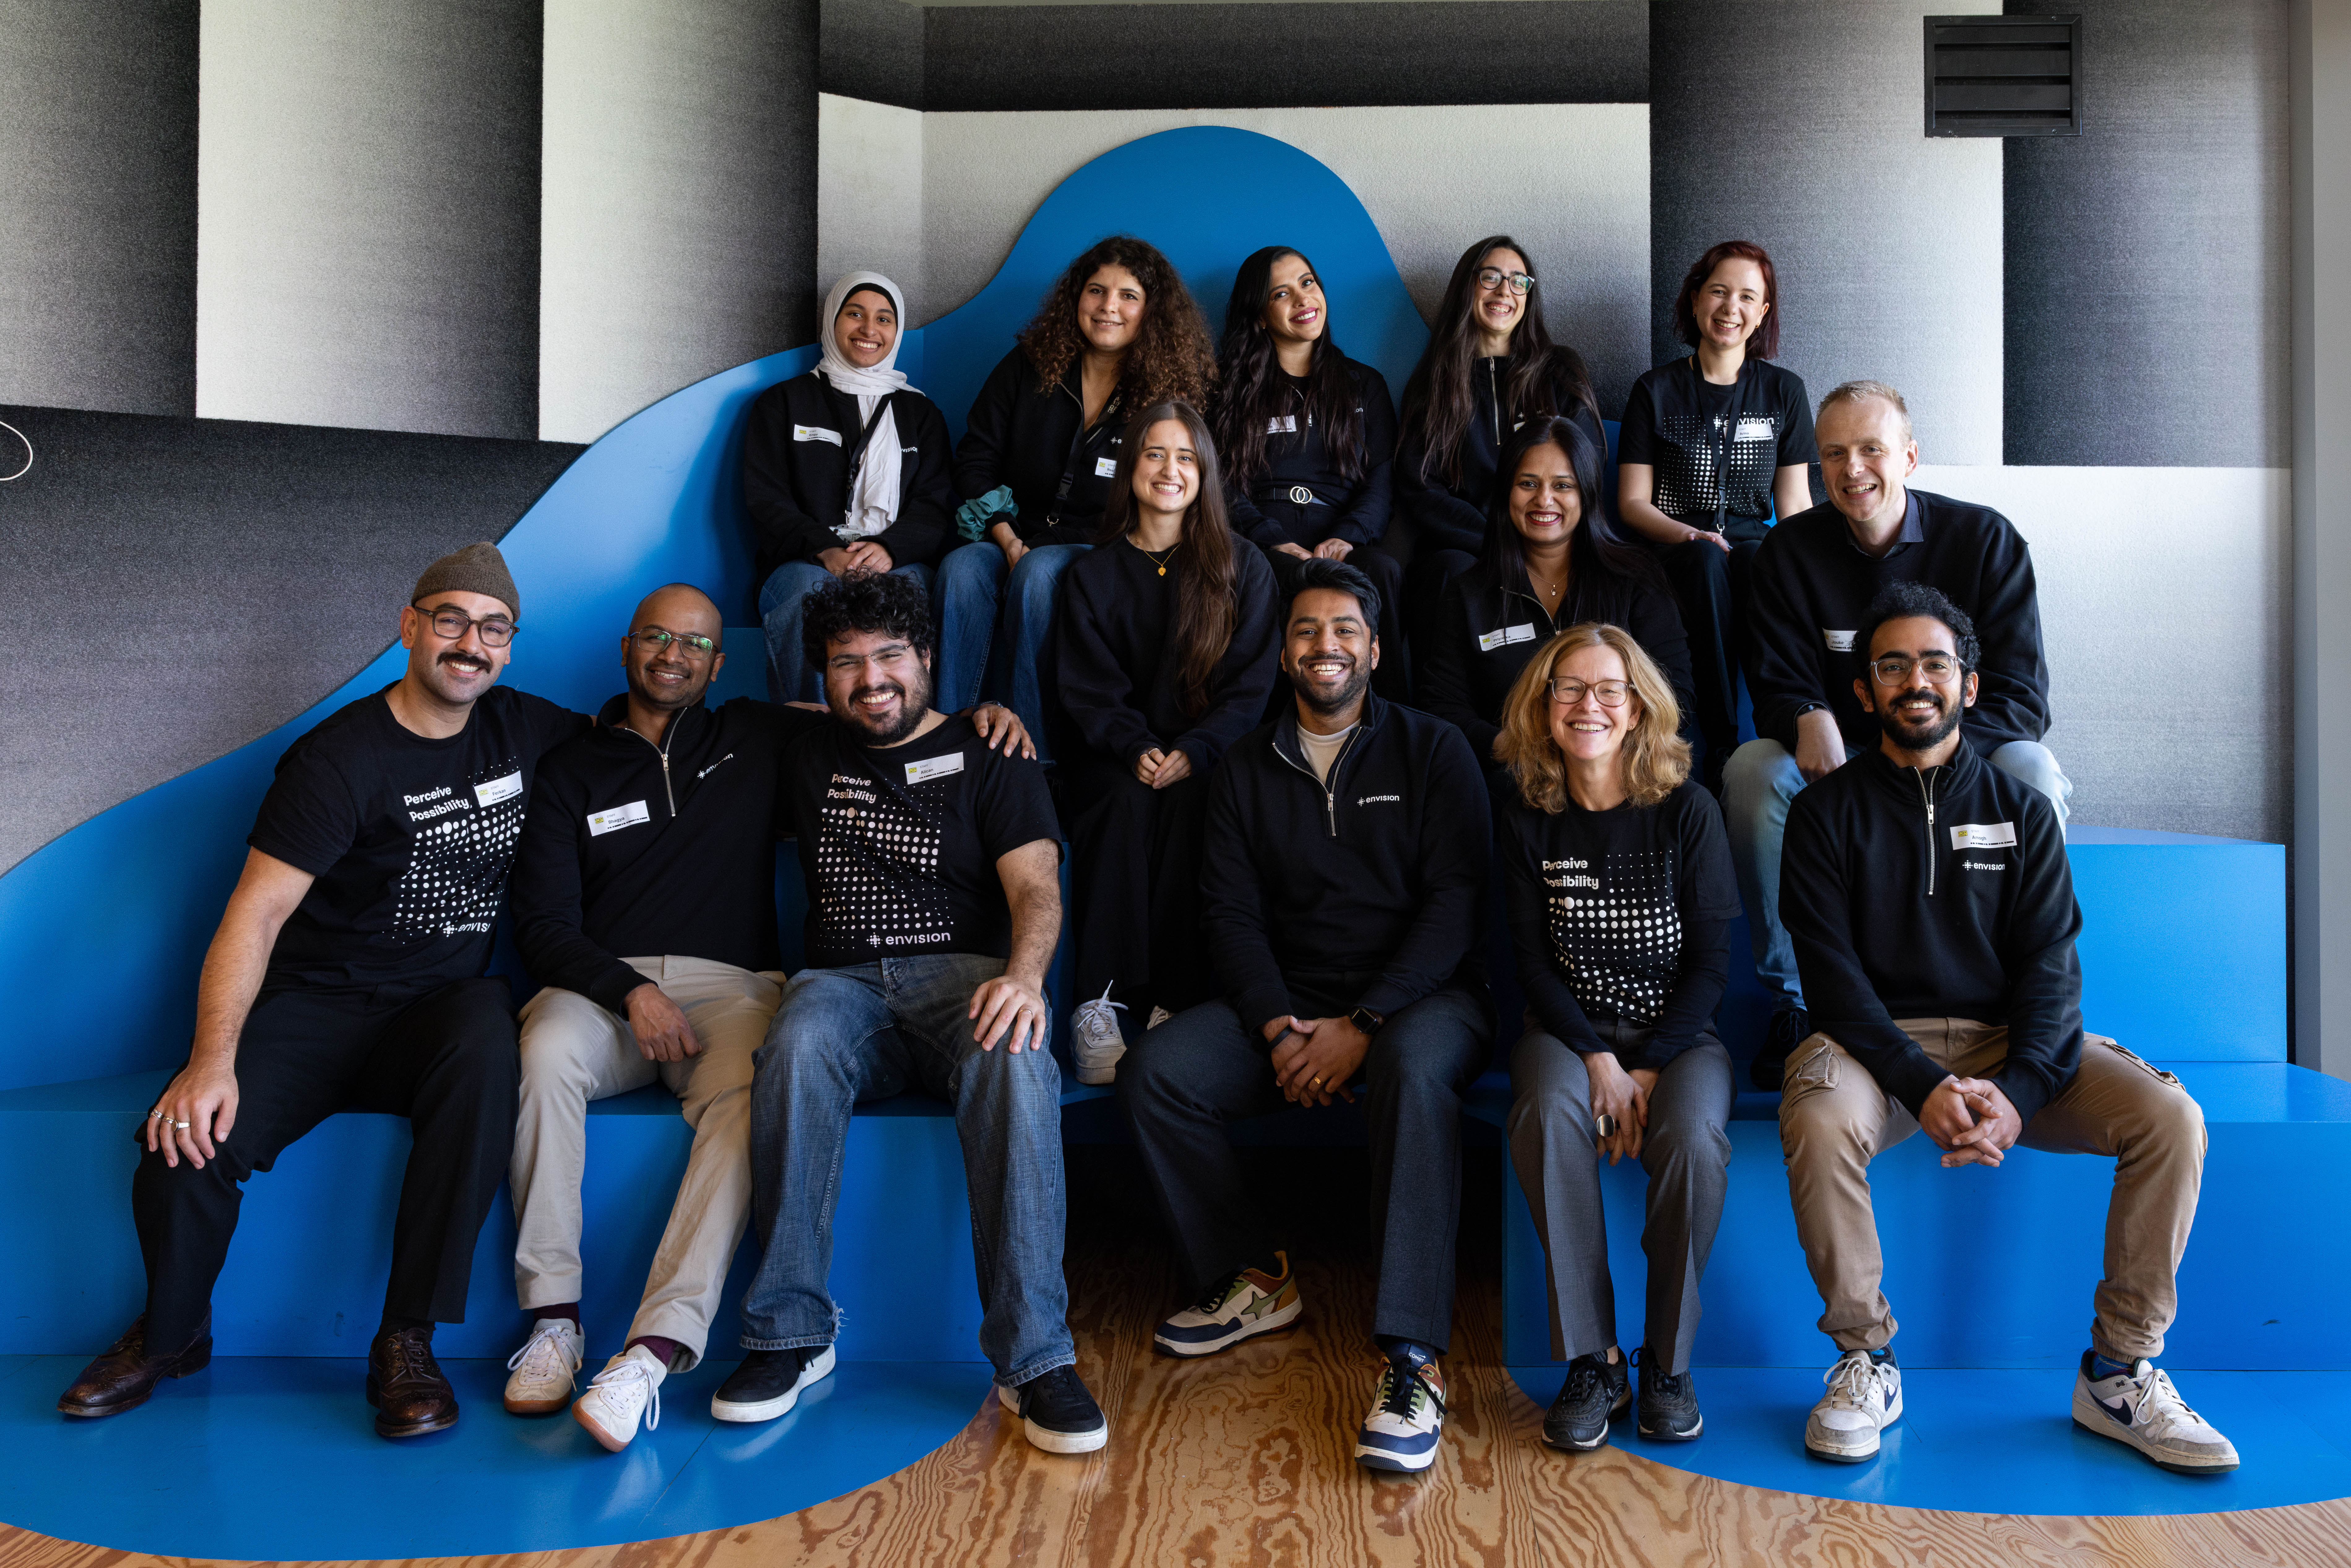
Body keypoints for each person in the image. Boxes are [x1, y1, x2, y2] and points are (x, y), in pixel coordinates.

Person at [59, 544, 586, 1437]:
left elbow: (633, 736)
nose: (471, 644)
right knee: (183, 1139)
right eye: (450, 620)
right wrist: (210, 1062)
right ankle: (172, 1333)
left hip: (435, 1014)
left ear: (509, 646)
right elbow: (256, 913)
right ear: (410, 627)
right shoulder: (339, 758)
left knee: (487, 1039)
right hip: (319, 1008)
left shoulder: (525, 727)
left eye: (493, 629)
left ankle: (406, 1342)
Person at [497, 584, 1029, 1450]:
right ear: (629, 647)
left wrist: (983, 716)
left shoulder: (761, 734)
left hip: (733, 984)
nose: (675, 656)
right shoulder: (571, 766)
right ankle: (553, 1320)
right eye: (658, 639)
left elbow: (888, 716)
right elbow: (545, 925)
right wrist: (627, 990)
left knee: (760, 1081)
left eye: (696, 644)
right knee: (542, 1050)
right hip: (603, 989)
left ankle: (652, 1348)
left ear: (718, 661)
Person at [1777, 583, 2235, 1475]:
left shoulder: (2021, 810)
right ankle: (1865, 1357)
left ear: (1969, 686)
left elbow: (2053, 976)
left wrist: (2018, 1094)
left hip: (2005, 1049)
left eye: (1935, 664)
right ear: (1864, 691)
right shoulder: (1821, 814)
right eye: (1893, 665)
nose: (1916, 680)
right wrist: (1923, 1084)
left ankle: (2117, 1370)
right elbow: (1832, 986)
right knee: (1820, 1110)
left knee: (2169, 1116)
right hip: (1879, 1053)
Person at [1118, 559, 1494, 1475]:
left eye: (1344, 629)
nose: (1326, 645)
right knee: (1156, 1073)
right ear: (1284, 652)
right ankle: (1252, 1275)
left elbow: (1457, 903)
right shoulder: (1246, 764)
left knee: (1409, 1070)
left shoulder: (1433, 746)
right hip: (1292, 1005)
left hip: (1424, 1002)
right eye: (1306, 631)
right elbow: (1230, 913)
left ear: (1373, 644)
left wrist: (1364, 1019)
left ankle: (1412, 1357)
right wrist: (1283, 1027)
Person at [726, 571, 1108, 1454]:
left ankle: (1033, 1360)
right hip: (841, 983)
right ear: (821, 679)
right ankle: (790, 1337)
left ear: (927, 660)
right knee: (792, 1046)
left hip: (964, 977)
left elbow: (1037, 889)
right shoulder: (805, 745)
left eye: (890, 656)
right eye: (847, 663)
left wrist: (1023, 979)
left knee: (1015, 1062)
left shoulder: (992, 752)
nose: (871, 679)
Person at [1728, 379, 2067, 1089]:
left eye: (1872, 449)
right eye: (1835, 454)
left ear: (1909, 456)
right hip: (1844, 763)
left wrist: (1934, 756)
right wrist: (1804, 713)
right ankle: (1794, 1003)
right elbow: (1777, 680)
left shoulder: (1986, 541)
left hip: (1960, 753)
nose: (1853, 469)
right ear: (1817, 466)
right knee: (1754, 768)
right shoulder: (1787, 552)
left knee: (2032, 767)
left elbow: (2021, 697)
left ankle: (2017, 1000)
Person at [1494, 624, 1738, 1452]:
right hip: (1565, 1036)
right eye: (1568, 688)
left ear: (1637, 708)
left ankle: (1665, 1361)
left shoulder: (1688, 810)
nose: (1586, 705)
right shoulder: (1529, 814)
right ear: (1544, 704)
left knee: (1697, 1143)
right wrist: (1600, 1065)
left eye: (1607, 690)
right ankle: (1593, 1360)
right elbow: (1528, 962)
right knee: (1541, 1113)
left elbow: (1710, 963)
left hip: (1677, 1037)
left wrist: (1644, 1065)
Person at [1055, 402, 1280, 1084]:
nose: (1170, 470)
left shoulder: (1244, 567)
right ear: (1131, 469)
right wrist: (1134, 746)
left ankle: (1173, 1004)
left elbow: (1251, 686)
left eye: (1186, 457)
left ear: (1206, 472)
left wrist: (1198, 748)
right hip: (1114, 759)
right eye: (1155, 454)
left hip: (1210, 757)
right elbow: (1088, 690)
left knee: (1198, 803)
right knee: (1122, 806)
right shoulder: (1090, 576)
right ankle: (1103, 1004)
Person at [937, 236, 1218, 752]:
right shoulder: (1028, 366)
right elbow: (976, 458)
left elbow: (1161, 497)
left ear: (1151, 310)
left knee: (1040, 576)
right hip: (1010, 534)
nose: (1109, 307)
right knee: (961, 570)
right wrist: (1005, 535)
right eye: (1096, 291)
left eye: (1128, 296)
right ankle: (952, 743)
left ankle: (1033, 758)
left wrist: (1038, 548)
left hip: (1102, 545)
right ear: (1076, 299)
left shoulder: (1164, 391)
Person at [1616, 241, 1817, 791]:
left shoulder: (1784, 391)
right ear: (1697, 298)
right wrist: (1690, 532)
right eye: (1720, 292)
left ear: (1763, 313)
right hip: (1675, 546)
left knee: (1758, 561)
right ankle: (1720, 742)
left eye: (1748, 297)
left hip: (1753, 545)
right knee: (1706, 560)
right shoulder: (1655, 390)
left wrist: (1812, 568)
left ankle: (1784, 728)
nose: (1731, 307)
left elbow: (1795, 506)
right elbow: (1632, 503)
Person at [1419, 416, 1695, 779]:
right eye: (1528, 484)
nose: (1544, 499)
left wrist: (1596, 748)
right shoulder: (1468, 593)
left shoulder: (1636, 579)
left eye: (1563, 485)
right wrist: (1516, 748)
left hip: (1621, 781)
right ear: (1506, 493)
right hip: (1510, 783)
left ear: (1587, 493)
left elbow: (1675, 694)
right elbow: (1443, 707)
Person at [744, 271, 955, 702]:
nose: (869, 330)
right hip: (805, 562)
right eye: (855, 314)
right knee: (807, 592)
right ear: (832, 321)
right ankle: (811, 738)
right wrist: (827, 551)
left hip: (900, 561)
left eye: (884, 319)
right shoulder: (782, 403)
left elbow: (936, 504)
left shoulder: (921, 414)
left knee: (909, 593)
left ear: (896, 333)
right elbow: (767, 499)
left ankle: (904, 740)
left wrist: (889, 549)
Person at [1396, 236, 1604, 661]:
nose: (1505, 291)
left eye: (1518, 281)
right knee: (1443, 571)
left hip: (1552, 535)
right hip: (1466, 544)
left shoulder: (1560, 371)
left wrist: (1533, 537)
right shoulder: (1433, 382)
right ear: (1467, 287)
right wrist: (1495, 541)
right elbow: (1420, 487)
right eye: (1491, 278)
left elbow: (1587, 466)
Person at [1210, 245, 1407, 695]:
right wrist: (1273, 539)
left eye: (1308, 283)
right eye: (1281, 294)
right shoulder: (1227, 390)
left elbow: (1382, 477)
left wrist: (1350, 536)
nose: (1303, 300)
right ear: (1259, 315)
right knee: (1251, 570)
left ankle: (1390, 719)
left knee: (1383, 570)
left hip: (1342, 538)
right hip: (1262, 539)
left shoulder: (1364, 384)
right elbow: (1218, 483)